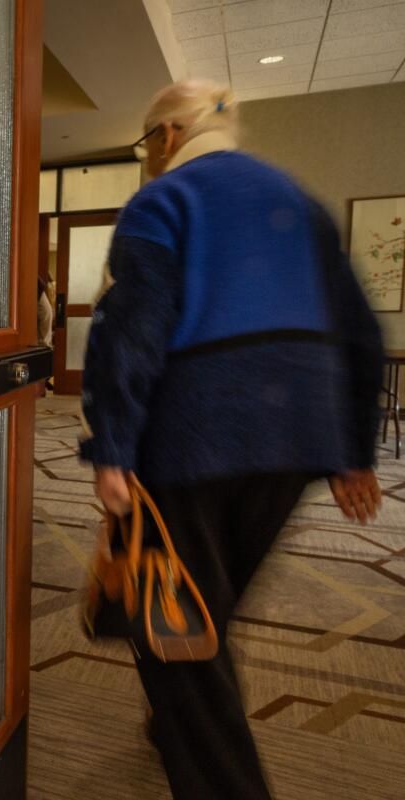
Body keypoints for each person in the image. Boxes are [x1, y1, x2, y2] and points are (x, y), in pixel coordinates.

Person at [80, 79, 385, 799]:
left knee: (173, 632)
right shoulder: (301, 202)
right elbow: (362, 331)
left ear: (165, 138)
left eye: (146, 145)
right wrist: (354, 449)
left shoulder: (163, 201)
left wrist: (114, 446)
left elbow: (133, 330)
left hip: (194, 436)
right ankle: (173, 718)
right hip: (298, 440)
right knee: (201, 605)